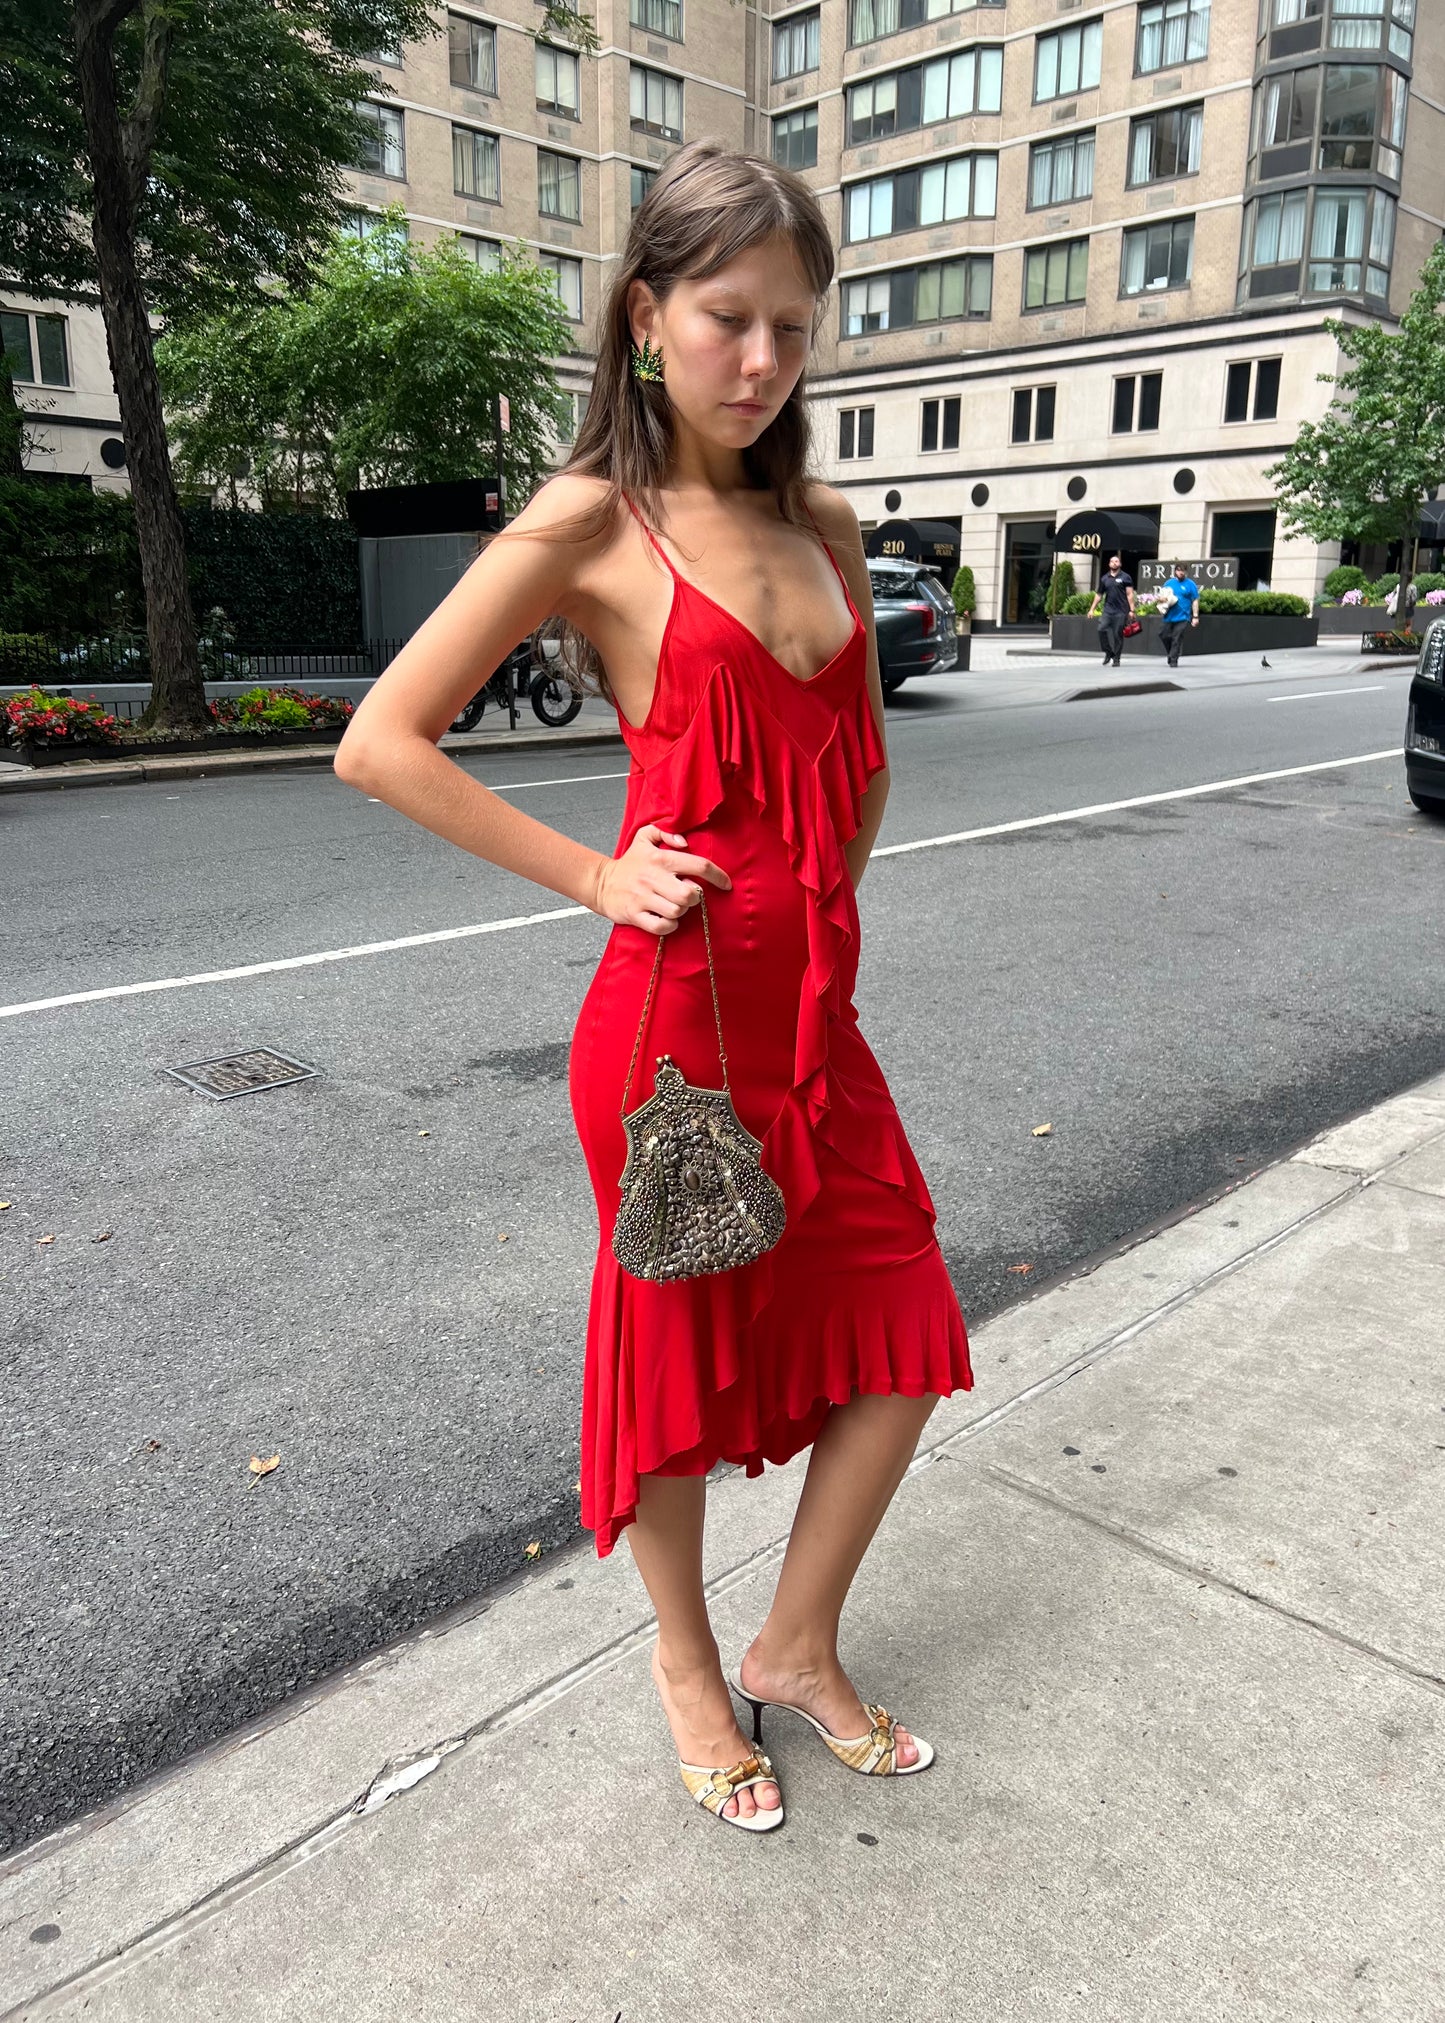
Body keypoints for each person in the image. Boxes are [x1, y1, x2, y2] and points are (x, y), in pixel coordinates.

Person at [332, 142, 973, 1836]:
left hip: (813, 1029)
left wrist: (816, 905)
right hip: (671, 1040)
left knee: (904, 1322)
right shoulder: (588, 521)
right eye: (726, 319)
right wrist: (602, 875)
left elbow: (863, 763)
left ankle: (798, 1636)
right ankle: (693, 1665)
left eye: (793, 326)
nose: (763, 360)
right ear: (643, 317)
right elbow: (381, 741)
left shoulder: (821, 520)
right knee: (682, 1359)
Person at [1089, 554, 1135, 665]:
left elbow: (1130, 594)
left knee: (1117, 635)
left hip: (1121, 611)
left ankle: (1116, 659)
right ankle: (1108, 652)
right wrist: (1092, 609)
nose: (1114, 563)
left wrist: (1132, 610)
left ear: (1120, 564)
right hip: (1108, 610)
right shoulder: (1105, 578)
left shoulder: (1125, 577)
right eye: (1112, 561)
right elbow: (1099, 595)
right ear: (1109, 564)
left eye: (1116, 561)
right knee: (1101, 629)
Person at [1158, 561, 1200, 666]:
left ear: (1186, 572)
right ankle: (1171, 653)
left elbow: (1195, 600)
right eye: (1178, 570)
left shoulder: (1191, 584)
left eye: (1183, 571)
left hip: (1183, 616)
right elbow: (1161, 597)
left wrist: (1195, 616)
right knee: (1163, 635)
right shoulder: (1169, 583)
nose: (1181, 573)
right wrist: (1163, 599)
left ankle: (1173, 659)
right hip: (1169, 615)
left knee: (1177, 637)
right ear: (1175, 571)